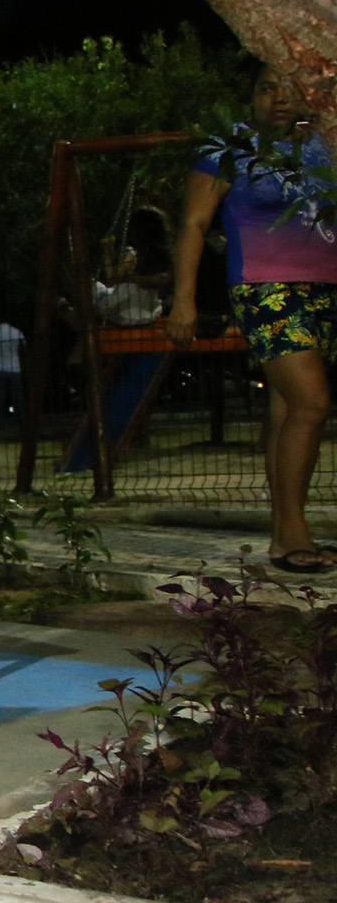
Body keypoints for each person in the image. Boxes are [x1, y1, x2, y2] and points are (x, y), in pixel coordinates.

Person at [168, 65, 334, 575]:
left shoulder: (324, 144)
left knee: (286, 407)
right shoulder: (228, 148)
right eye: (266, 88)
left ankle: (283, 535)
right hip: (265, 287)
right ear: (252, 97)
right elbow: (194, 223)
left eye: (288, 89)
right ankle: (293, 531)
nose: (278, 98)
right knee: (313, 402)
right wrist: (183, 300)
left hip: (325, 287)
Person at [0, 318, 25, 434]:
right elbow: (22, 350)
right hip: (15, 367)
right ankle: (21, 425)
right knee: (18, 398)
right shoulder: (17, 332)